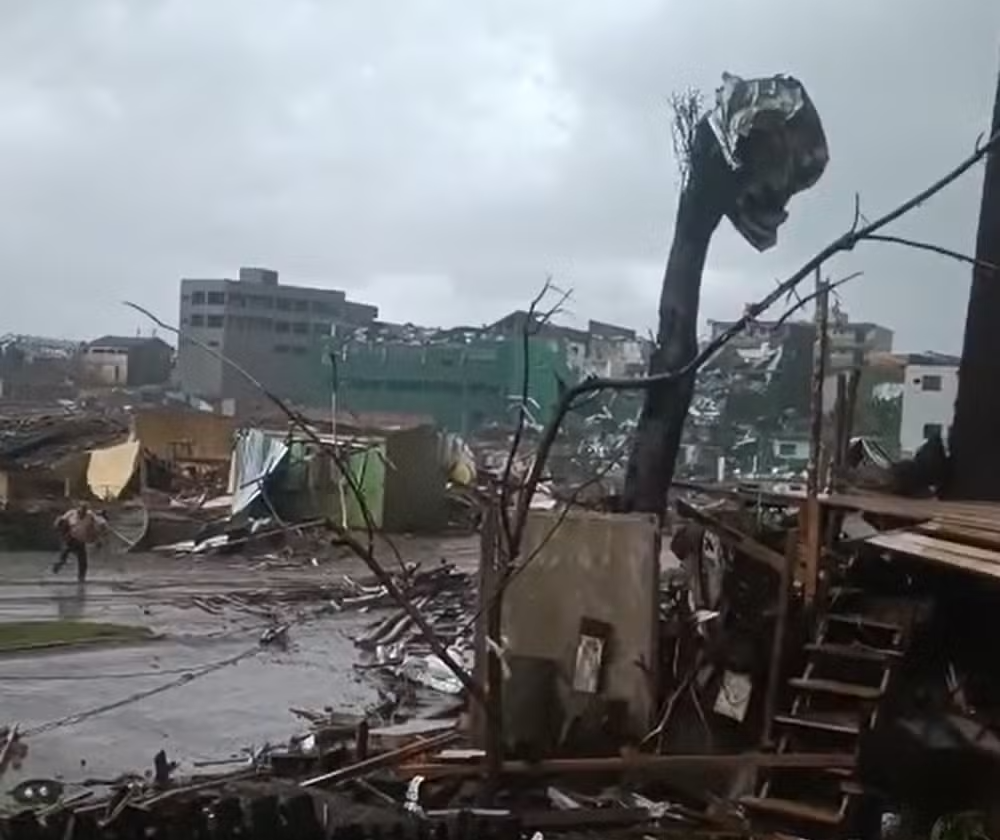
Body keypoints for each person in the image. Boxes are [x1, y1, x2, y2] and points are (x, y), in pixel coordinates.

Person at [52, 502, 106, 582]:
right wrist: (58, 524)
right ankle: (58, 564)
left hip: (81, 540)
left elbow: (100, 521)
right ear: (78, 509)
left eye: (84, 511)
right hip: (70, 538)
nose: (82, 513)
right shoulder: (71, 513)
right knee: (64, 554)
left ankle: (81, 578)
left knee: (83, 561)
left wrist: (101, 528)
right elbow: (61, 520)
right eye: (81, 511)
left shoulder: (90, 515)